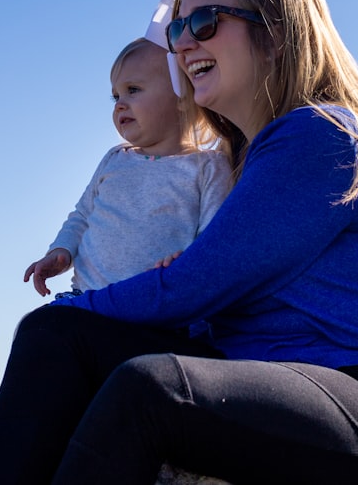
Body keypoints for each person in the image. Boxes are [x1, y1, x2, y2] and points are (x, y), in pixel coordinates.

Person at [0, 0, 358, 485]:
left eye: (205, 22)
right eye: (178, 29)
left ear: (278, 34)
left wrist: (89, 299)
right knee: (54, 334)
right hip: (275, 375)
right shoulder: (240, 162)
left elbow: (195, 288)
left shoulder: (322, 134)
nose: (184, 42)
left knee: (150, 389)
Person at [24, 33, 233, 298]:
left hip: (156, 304)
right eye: (115, 96)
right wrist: (60, 252)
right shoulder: (115, 159)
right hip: (87, 299)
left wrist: (187, 263)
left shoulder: (207, 167)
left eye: (133, 90)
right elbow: (82, 216)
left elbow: (214, 236)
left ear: (182, 98)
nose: (120, 104)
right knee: (37, 331)